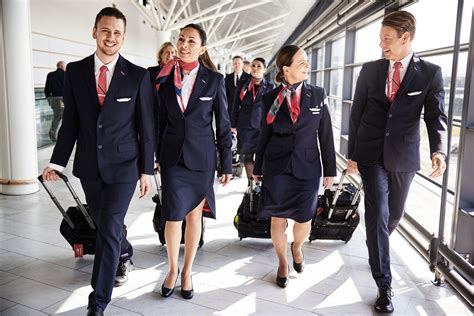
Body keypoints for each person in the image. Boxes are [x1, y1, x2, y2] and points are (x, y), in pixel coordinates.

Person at [41, 7, 154, 316]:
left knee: (108, 228)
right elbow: (71, 123)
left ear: (124, 37)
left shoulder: (137, 75)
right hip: (90, 168)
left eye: (117, 33)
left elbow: (146, 126)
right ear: (94, 32)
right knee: (105, 225)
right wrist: (57, 163)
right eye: (105, 31)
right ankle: (124, 253)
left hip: (124, 167)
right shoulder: (75, 72)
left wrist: (146, 170)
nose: (111, 38)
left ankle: (98, 301)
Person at [347, 11, 447, 313]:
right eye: (380, 39)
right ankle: (384, 285)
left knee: (394, 215)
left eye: (387, 39)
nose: (381, 45)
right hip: (370, 153)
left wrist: (438, 150)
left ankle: (377, 247)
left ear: (406, 38)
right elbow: (357, 113)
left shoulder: (429, 72)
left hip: (404, 154)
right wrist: (352, 153)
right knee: (378, 212)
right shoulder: (370, 70)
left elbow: (435, 115)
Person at [155, 23, 232, 300]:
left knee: (194, 215)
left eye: (191, 41)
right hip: (173, 157)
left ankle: (187, 271)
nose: (184, 45)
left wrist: (226, 165)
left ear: (202, 49)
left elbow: (222, 125)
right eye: (181, 40)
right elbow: (160, 121)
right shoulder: (165, 79)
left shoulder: (214, 80)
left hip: (201, 159)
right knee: (172, 216)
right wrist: (156, 155)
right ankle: (172, 269)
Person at [253, 45, 336, 288]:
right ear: (286, 69)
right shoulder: (271, 98)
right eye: (301, 62)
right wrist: (258, 167)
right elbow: (264, 135)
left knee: (304, 218)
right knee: (277, 218)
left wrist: (329, 170)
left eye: (307, 61)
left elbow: (326, 135)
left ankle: (297, 247)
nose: (307, 66)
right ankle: (282, 263)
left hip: (307, 168)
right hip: (276, 167)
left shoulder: (318, 95)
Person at [231, 57, 274, 185]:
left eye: (259, 66)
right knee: (248, 157)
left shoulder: (270, 87)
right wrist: (233, 124)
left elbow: (273, 109)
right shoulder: (244, 84)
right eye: (253, 65)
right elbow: (235, 105)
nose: (255, 68)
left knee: (262, 156)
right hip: (245, 127)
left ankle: (260, 182)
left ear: (264, 69)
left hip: (262, 127)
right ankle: (252, 186)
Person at [147, 42, 177, 154]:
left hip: (172, 114)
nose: (170, 55)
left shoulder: (178, 73)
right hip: (154, 111)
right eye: (167, 52)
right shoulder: (150, 72)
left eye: (173, 52)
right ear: (161, 55)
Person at [44, 60, 66, 141]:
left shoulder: (50, 75)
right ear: (62, 66)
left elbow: (46, 89)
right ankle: (63, 136)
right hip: (64, 101)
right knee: (65, 118)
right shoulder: (66, 74)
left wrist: (49, 101)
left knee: (57, 116)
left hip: (54, 101)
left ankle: (52, 132)